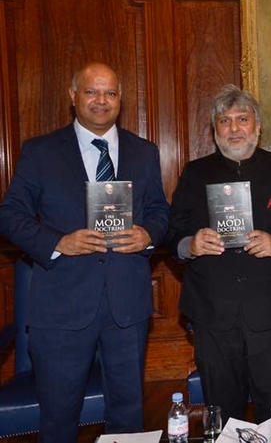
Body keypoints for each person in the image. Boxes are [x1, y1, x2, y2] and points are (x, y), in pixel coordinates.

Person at [0, 62, 169, 442]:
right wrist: (57, 242)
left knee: (128, 417)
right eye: (92, 91)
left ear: (120, 100)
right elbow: (9, 215)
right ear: (73, 96)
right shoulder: (41, 152)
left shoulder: (144, 152)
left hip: (127, 305)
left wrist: (148, 234)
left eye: (110, 93)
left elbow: (160, 211)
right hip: (62, 306)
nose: (101, 100)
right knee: (59, 419)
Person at [166, 85, 271, 424]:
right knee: (223, 416)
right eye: (225, 121)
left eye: (242, 119)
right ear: (215, 130)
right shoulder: (195, 172)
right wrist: (190, 244)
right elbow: (171, 233)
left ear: (257, 126)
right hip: (213, 314)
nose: (234, 129)